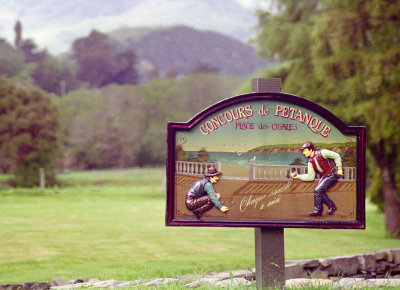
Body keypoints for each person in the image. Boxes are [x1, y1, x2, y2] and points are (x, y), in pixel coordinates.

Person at [291, 141, 343, 217]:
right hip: (324, 177)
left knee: (318, 190)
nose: (303, 153)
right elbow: (310, 177)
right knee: (319, 192)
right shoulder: (310, 162)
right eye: (303, 151)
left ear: (310, 149)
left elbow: (336, 156)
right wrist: (298, 176)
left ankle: (318, 211)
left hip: (331, 174)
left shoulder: (322, 153)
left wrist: (340, 168)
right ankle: (331, 206)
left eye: (305, 151)